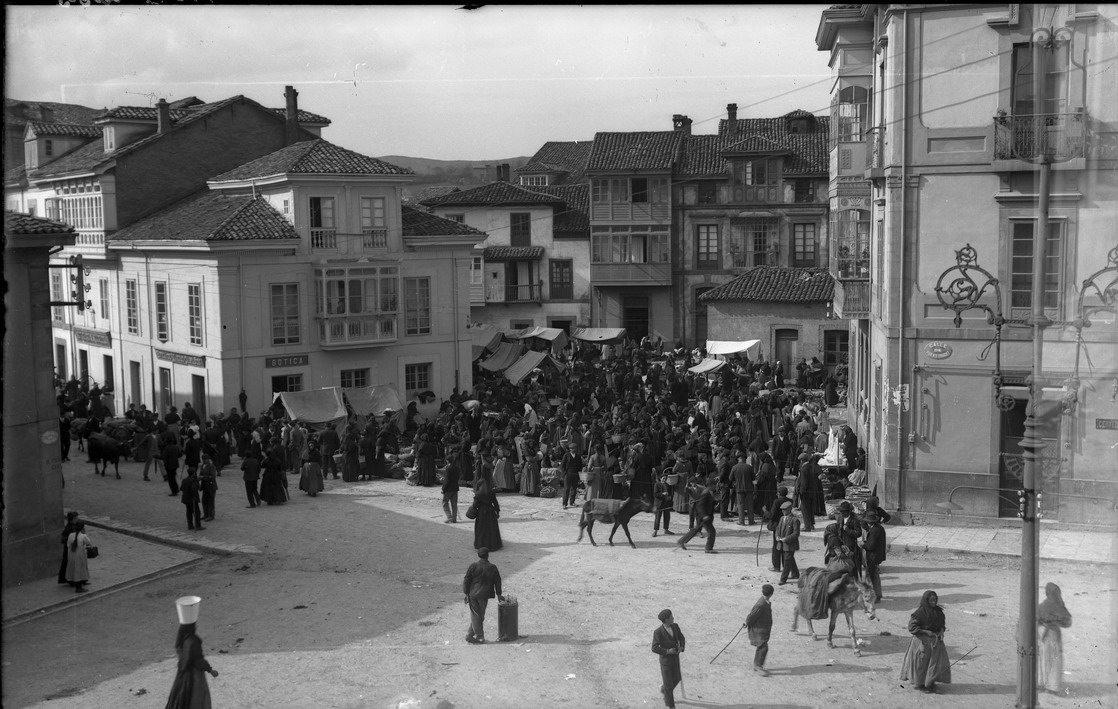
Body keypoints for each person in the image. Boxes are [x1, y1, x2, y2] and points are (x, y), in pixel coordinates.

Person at [900, 590, 951, 694]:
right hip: (922, 642)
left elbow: (942, 624)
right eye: (931, 600)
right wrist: (926, 632)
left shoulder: (939, 612)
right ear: (926, 600)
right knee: (921, 665)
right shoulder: (919, 613)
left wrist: (941, 630)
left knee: (934, 664)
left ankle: (930, 683)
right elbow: (912, 627)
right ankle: (920, 685)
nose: (934, 602)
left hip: (935, 642)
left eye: (935, 600)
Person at [166, 619, 219, 708]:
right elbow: (198, 661)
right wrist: (210, 670)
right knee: (197, 700)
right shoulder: (193, 641)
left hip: (182, 676)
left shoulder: (181, 640)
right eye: (194, 626)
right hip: (194, 677)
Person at [462, 547, 503, 644]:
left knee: (477, 616)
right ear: (488, 555)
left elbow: (466, 580)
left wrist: (466, 593)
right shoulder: (492, 567)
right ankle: (479, 636)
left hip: (473, 594)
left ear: (478, 555)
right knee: (479, 616)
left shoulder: (473, 566)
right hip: (484, 595)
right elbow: (497, 582)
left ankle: (470, 634)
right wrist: (499, 594)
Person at [1037, 582, 1073, 695]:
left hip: (1044, 635)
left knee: (1044, 659)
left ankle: (1042, 684)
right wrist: (1057, 621)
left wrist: (1044, 623)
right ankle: (1053, 686)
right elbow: (1068, 622)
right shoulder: (1060, 606)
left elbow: (1036, 619)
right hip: (1054, 635)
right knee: (1055, 660)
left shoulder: (1041, 606)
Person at [651, 609, 686, 709]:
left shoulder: (675, 626)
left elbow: (681, 637)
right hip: (665, 662)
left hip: (675, 659)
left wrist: (681, 647)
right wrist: (667, 651)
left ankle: (664, 690)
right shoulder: (658, 632)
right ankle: (671, 706)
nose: (673, 618)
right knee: (669, 685)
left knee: (677, 678)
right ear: (666, 620)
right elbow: (654, 647)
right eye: (671, 617)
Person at [677, 483, 717, 553]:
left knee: (696, 529)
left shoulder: (709, 493)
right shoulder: (705, 493)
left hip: (705, 516)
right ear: (710, 486)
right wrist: (704, 516)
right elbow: (700, 506)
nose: (715, 486)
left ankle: (681, 541)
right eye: (714, 485)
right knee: (712, 531)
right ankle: (708, 548)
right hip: (704, 516)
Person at [745, 584, 774, 676]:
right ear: (771, 594)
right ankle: (758, 665)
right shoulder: (761, 604)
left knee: (761, 646)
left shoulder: (765, 602)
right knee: (763, 647)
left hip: (762, 628)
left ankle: (757, 665)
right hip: (758, 629)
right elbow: (753, 615)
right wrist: (747, 622)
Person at [472, 474, 503, 551]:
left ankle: (481, 544)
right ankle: (493, 545)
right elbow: (495, 503)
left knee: (481, 529)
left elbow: (474, 505)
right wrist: (497, 511)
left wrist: (473, 511)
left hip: (482, 513)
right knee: (491, 529)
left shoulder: (478, 494)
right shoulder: (491, 492)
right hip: (491, 512)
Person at [862, 511, 886, 602]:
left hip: (873, 557)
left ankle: (874, 596)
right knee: (875, 575)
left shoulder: (874, 530)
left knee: (871, 577)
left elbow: (870, 546)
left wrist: (863, 545)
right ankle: (877, 594)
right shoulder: (879, 528)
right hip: (877, 556)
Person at [776, 500, 801, 585]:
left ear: (790, 509)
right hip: (782, 544)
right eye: (782, 510)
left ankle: (783, 579)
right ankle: (795, 574)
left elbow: (796, 533)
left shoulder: (795, 520)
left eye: (785, 510)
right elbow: (778, 528)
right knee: (790, 559)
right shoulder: (782, 518)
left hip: (790, 544)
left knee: (786, 562)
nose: (783, 511)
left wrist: (786, 538)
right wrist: (777, 536)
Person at [65, 521, 93, 593]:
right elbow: (89, 542)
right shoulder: (83, 536)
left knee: (74, 568)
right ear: (82, 528)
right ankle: (78, 587)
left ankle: (77, 582)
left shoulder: (71, 535)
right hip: (80, 555)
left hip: (72, 555)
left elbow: (68, 545)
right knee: (80, 570)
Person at [731, 453, 755, 526]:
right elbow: (753, 478)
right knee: (750, 505)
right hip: (749, 488)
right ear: (745, 459)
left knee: (740, 505)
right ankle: (751, 521)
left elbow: (730, 478)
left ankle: (741, 521)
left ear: (738, 459)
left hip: (739, 488)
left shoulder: (734, 467)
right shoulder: (749, 467)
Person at [57, 511, 80, 585]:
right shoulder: (68, 528)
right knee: (69, 565)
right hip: (69, 550)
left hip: (73, 549)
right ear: (71, 519)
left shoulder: (74, 526)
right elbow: (63, 539)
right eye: (76, 518)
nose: (77, 519)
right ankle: (71, 581)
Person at [651, 470, 674, 537]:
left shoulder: (668, 485)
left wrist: (670, 497)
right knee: (658, 518)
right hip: (659, 504)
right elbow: (655, 494)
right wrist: (662, 494)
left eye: (666, 478)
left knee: (667, 517)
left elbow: (671, 493)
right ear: (660, 478)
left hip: (666, 503)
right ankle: (655, 531)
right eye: (663, 478)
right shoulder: (657, 485)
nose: (664, 479)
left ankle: (666, 529)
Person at [442, 449, 460, 523]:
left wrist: (443, 488)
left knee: (445, 502)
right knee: (454, 504)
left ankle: (449, 517)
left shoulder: (448, 468)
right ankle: (454, 518)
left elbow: (447, 480)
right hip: (455, 488)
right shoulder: (456, 468)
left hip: (448, 489)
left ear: (447, 461)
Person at [199, 454, 218, 522]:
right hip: (204, 486)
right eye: (203, 459)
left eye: (205, 459)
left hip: (211, 486)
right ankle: (206, 514)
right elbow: (201, 474)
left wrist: (203, 477)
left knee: (210, 501)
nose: (204, 460)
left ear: (208, 459)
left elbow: (213, 477)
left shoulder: (212, 466)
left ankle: (211, 515)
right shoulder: (202, 466)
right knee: (204, 501)